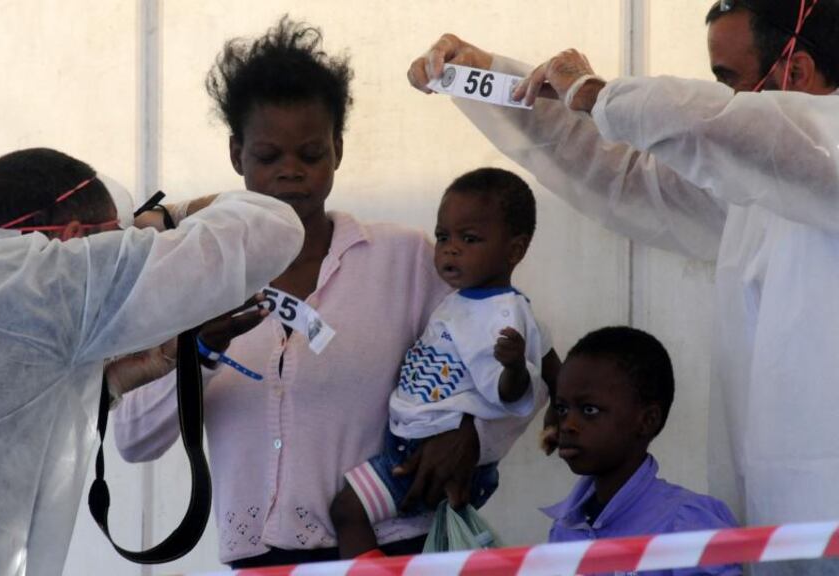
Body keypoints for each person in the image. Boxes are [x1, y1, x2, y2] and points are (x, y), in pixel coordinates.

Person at [408, 2, 839, 572]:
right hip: (774, 520)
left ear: (796, 72)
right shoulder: (753, 189)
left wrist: (602, 95)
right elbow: (622, 172)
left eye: (729, 82)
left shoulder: (812, 152)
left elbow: (725, 128)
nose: (721, 98)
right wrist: (492, 81)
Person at [115, 18, 561, 568]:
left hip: (390, 546)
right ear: (236, 155)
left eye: (310, 153)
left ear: (338, 150)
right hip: (259, 562)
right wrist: (198, 354)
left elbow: (529, 363)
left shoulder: (407, 259)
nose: (291, 174)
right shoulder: (196, 277)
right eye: (267, 156)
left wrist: (473, 437)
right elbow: (134, 439)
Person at [0, 147, 303, 575]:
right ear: (73, 237)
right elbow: (271, 227)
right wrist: (167, 220)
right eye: (116, 238)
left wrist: (106, 387)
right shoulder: (39, 275)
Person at [329, 168, 551, 558]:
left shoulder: (501, 318)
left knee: (347, 511)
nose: (450, 249)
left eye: (469, 239)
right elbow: (552, 361)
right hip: (410, 441)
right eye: (443, 236)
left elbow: (508, 393)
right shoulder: (465, 298)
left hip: (424, 457)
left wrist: (515, 368)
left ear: (514, 250)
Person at [546, 327, 740, 576]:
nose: (568, 425)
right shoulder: (566, 527)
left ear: (647, 420)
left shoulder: (688, 527)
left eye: (589, 410)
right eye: (562, 409)